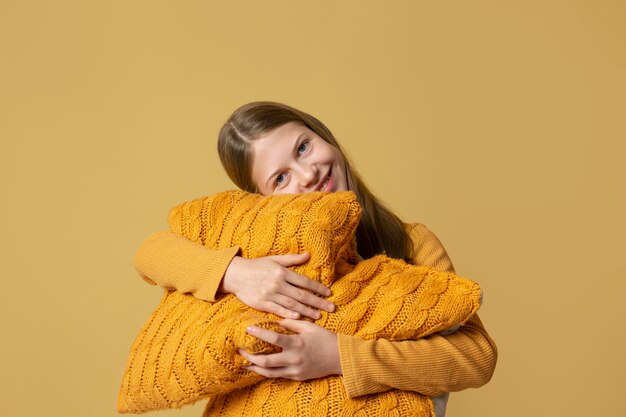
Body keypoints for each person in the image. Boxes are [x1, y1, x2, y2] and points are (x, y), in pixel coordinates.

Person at [134, 101, 497, 416]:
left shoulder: (411, 242)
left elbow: (477, 357)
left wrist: (341, 357)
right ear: (260, 200)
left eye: (303, 147)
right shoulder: (260, 251)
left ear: (322, 135)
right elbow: (150, 252)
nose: (308, 175)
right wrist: (235, 272)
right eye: (280, 178)